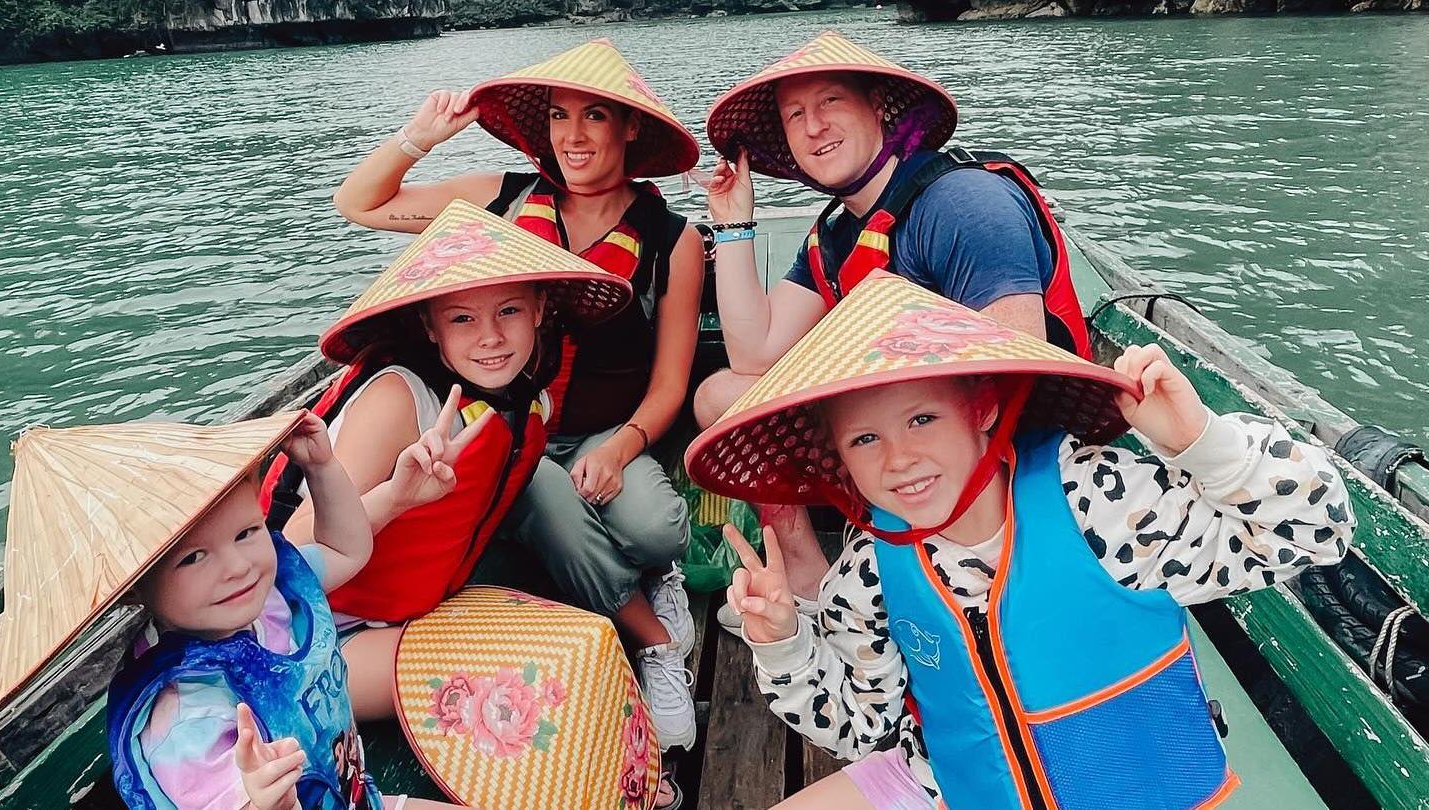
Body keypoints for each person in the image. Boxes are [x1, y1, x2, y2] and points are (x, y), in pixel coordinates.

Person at [683, 272, 1355, 810]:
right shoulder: (866, 572)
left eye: (921, 418)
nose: (898, 459)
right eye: (864, 438)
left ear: (981, 409)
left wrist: (1201, 442)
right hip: (952, 782)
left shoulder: (1100, 504)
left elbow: (1314, 531)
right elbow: (861, 729)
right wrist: (785, 645)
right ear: (836, 456)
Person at [332, 38, 704, 756]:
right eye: (560, 117)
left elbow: (669, 385)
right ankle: (653, 642)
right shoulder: (497, 199)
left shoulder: (671, 238)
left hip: (608, 433)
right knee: (548, 496)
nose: (572, 136)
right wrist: (419, 138)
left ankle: (656, 573)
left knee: (656, 528)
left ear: (630, 129)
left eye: (595, 116)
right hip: (510, 431)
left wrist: (624, 447)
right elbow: (358, 203)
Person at [696, 31, 1094, 633]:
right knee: (721, 397)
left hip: (1015, 449)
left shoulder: (964, 204)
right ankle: (810, 579)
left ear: (878, 106)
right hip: (906, 433)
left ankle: (934, 580)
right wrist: (733, 226)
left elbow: (1018, 373)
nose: (813, 128)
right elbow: (754, 355)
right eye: (794, 115)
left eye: (830, 102)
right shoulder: (835, 235)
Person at [261, 200, 634, 721]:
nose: (490, 337)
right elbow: (289, 559)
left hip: (408, 614)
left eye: (508, 310)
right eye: (462, 318)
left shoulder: (524, 397)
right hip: (303, 635)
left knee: (590, 643)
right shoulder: (399, 401)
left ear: (541, 308)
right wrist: (394, 498)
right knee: (541, 686)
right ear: (430, 327)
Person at [0, 411, 471, 809]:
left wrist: (322, 467)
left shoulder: (273, 597)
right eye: (193, 557)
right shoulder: (183, 714)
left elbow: (347, 551)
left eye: (247, 532)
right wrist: (265, 802)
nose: (238, 566)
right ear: (134, 589)